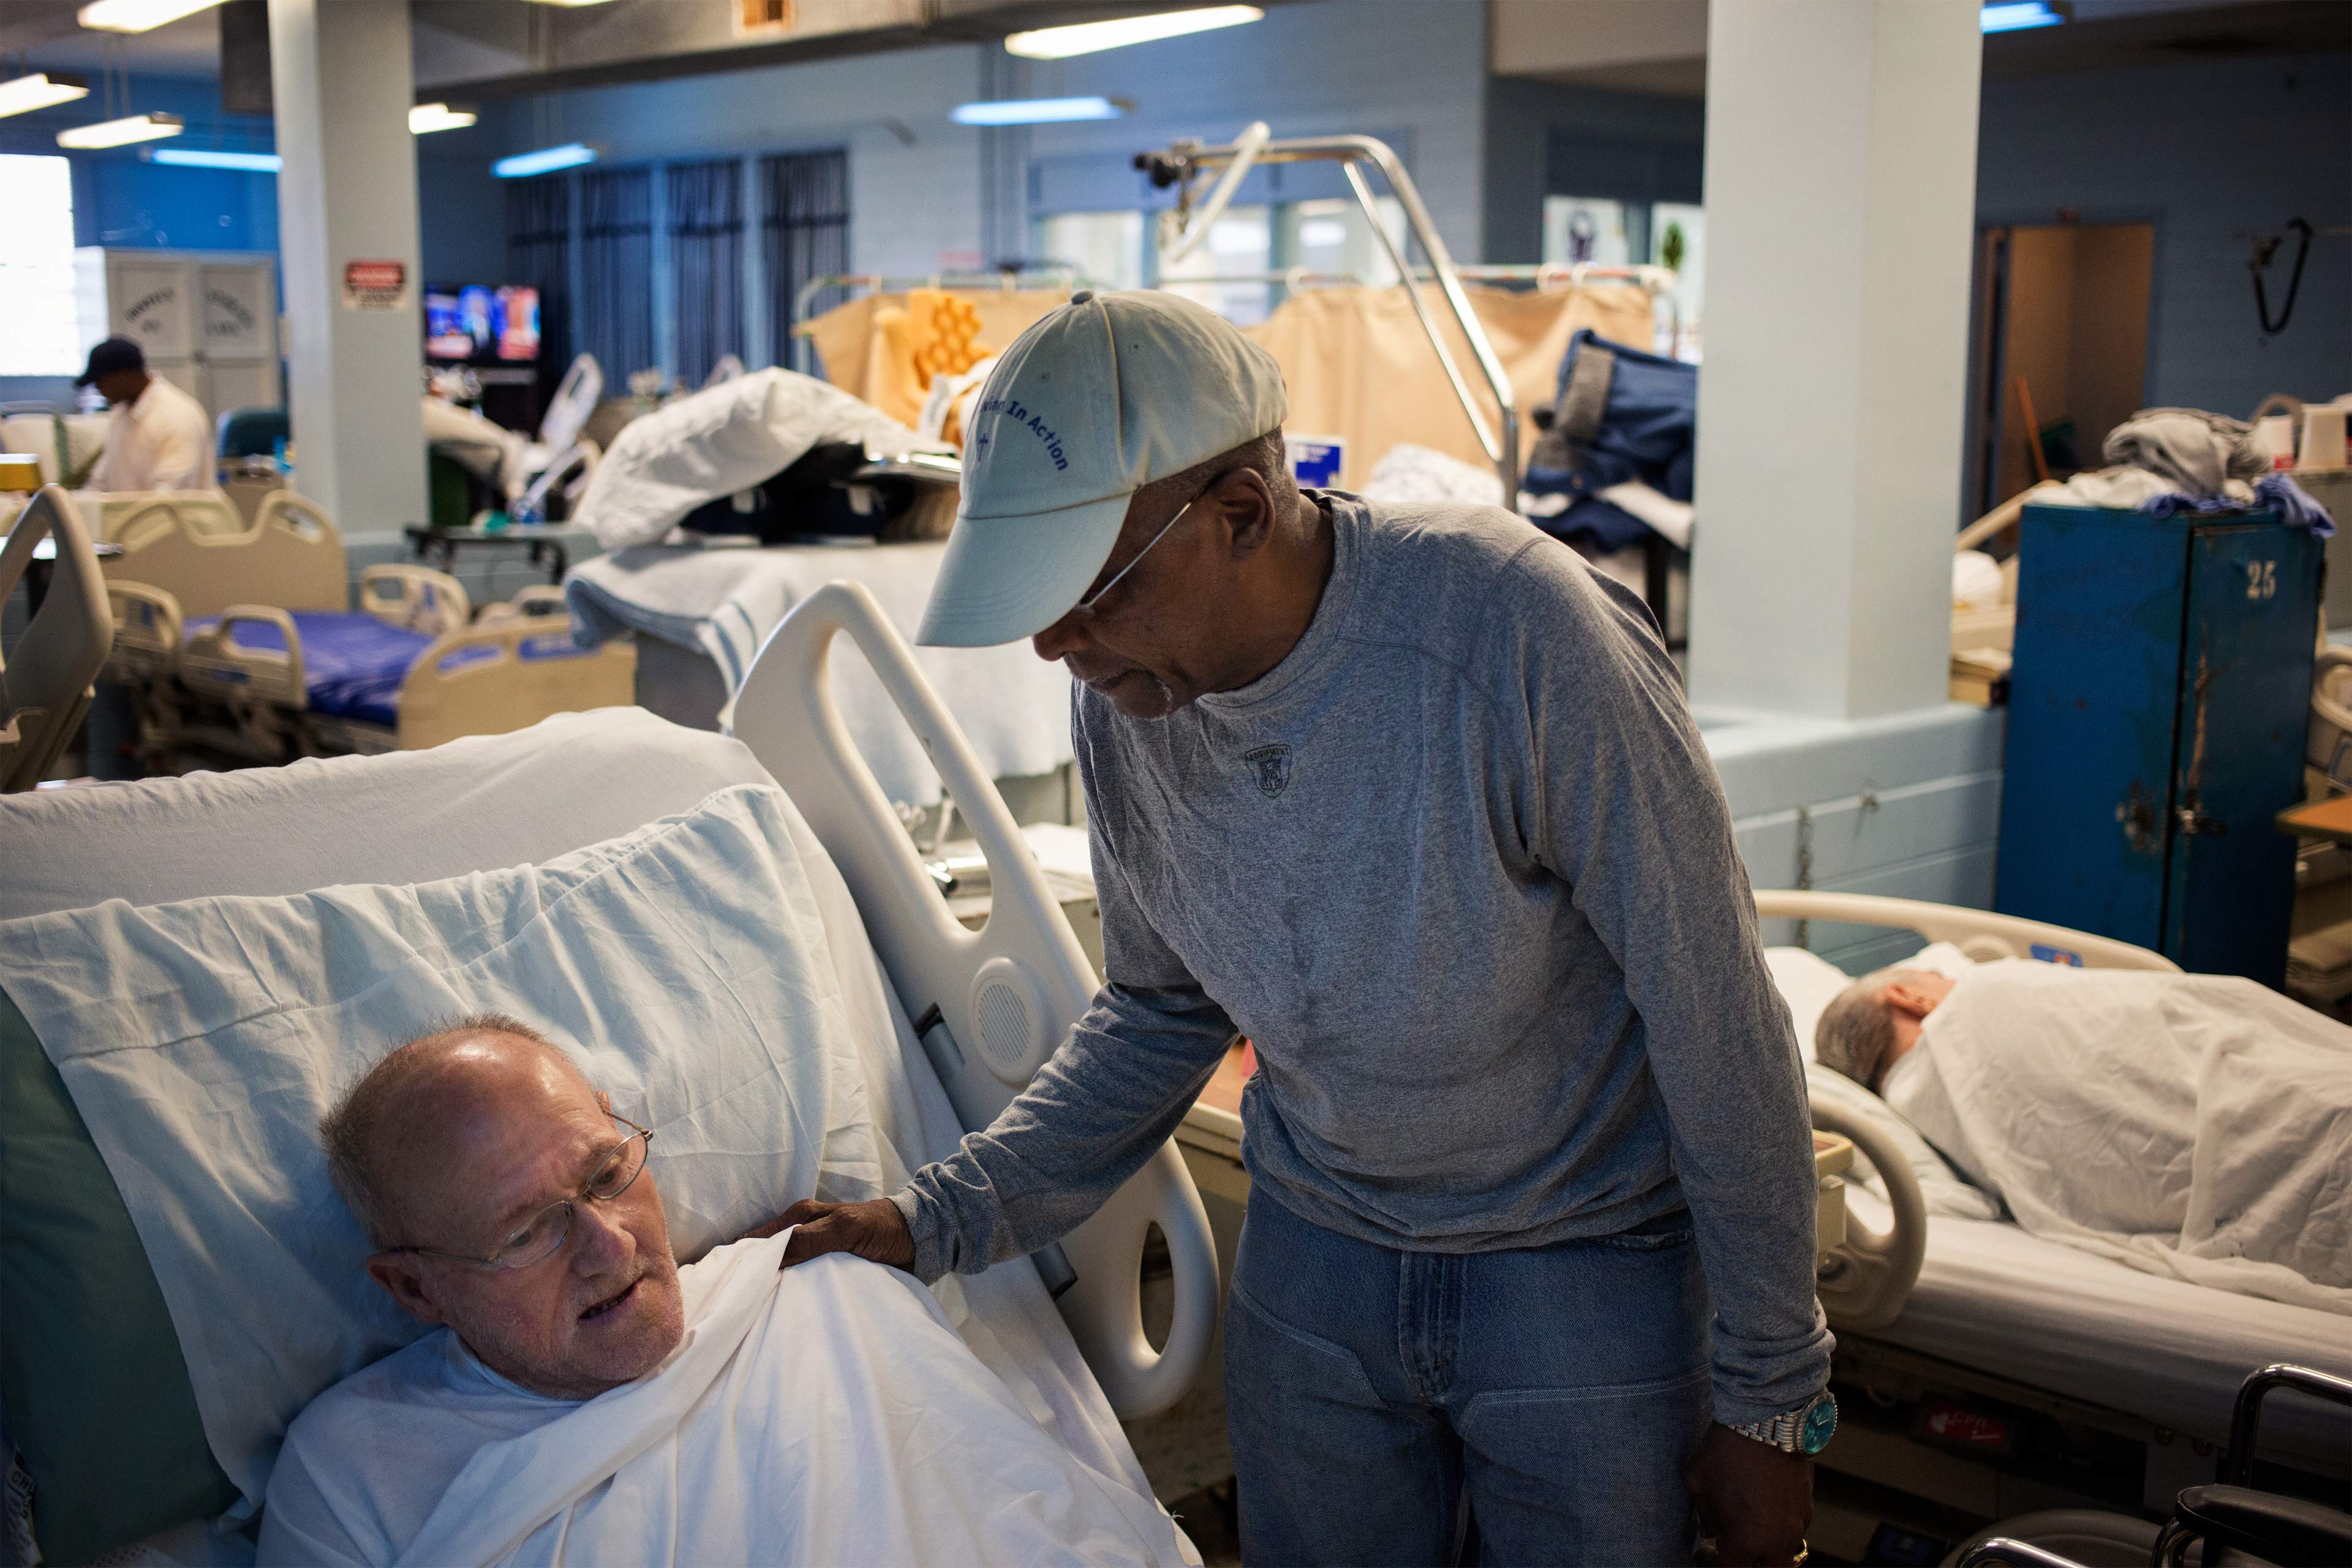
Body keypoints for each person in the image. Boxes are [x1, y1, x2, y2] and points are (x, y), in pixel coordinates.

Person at [779, 290, 1834, 1566]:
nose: (1056, 642)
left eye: (1089, 589)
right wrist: (935, 1216)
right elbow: (1161, 1010)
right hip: (1321, 1262)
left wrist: (1771, 1394)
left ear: (1239, 514)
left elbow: (1715, 1014)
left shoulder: (1515, 634)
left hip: (1580, 1264)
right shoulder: (1130, 702)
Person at [258, 1016, 1193, 1567]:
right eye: (528, 1231)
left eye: (607, 1174)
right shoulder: (355, 1471)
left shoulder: (822, 1303)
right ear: (415, 1287)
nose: (609, 1246)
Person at [1814, 959, 2352, 1308]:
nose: (1951, 977)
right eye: (1935, 974)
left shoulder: (1921, 1111)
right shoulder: (1985, 999)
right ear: (1910, 997)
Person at [77, 336, 214, 493]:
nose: (98, 389)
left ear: (123, 376)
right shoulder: (121, 413)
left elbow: (170, 494)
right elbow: (101, 480)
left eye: (100, 383)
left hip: (171, 509)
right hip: (136, 509)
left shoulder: (175, 416)